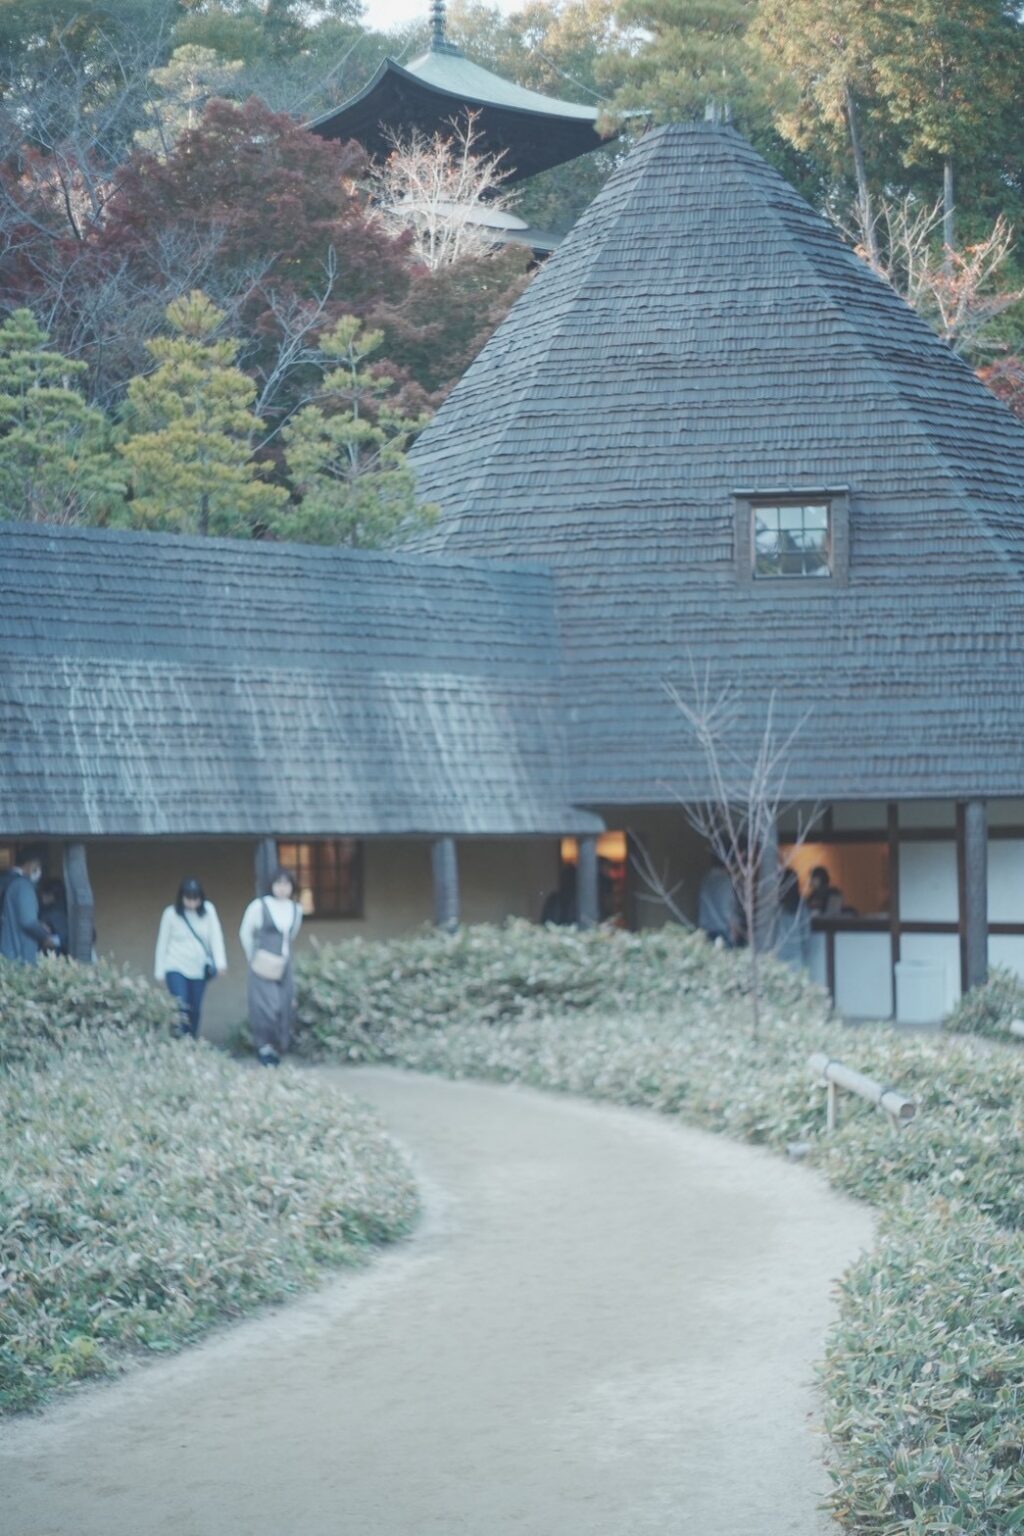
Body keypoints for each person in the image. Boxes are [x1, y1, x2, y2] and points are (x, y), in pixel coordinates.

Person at [239, 866, 303, 1066]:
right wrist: (253, 956)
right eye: (278, 883)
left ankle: (278, 1047)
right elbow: (245, 932)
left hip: (284, 964)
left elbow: (291, 935)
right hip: (263, 963)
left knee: (284, 1005)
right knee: (266, 1006)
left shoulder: (296, 909)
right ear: (272, 885)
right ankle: (264, 1047)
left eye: (286, 884)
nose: (282, 888)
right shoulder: (259, 906)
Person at [154, 877, 228, 1038]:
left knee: (195, 1009)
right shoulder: (170, 914)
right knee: (181, 1005)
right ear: (181, 897)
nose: (193, 902)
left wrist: (220, 963)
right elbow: (162, 943)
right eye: (189, 898)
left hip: (199, 968)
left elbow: (216, 937)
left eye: (196, 898)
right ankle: (178, 1040)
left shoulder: (209, 910)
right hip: (175, 965)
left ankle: (191, 1042)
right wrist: (159, 972)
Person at [0, 845, 57, 965]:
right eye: (39, 866)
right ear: (31, 864)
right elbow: (28, 921)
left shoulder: (6, 880)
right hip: (18, 954)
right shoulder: (23, 885)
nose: (40, 871)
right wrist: (45, 936)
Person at [773, 868, 812, 970]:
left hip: (778, 955)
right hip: (797, 956)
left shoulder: (776, 905)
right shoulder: (801, 905)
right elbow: (806, 934)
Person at [698, 855, 741, 946]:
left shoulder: (706, 879)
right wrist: (735, 930)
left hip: (706, 931)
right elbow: (728, 909)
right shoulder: (726, 881)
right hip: (723, 932)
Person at [38, 878, 70, 957]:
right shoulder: (45, 910)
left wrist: (55, 940)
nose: (42, 896)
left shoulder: (57, 912)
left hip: (60, 954)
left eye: (45, 894)